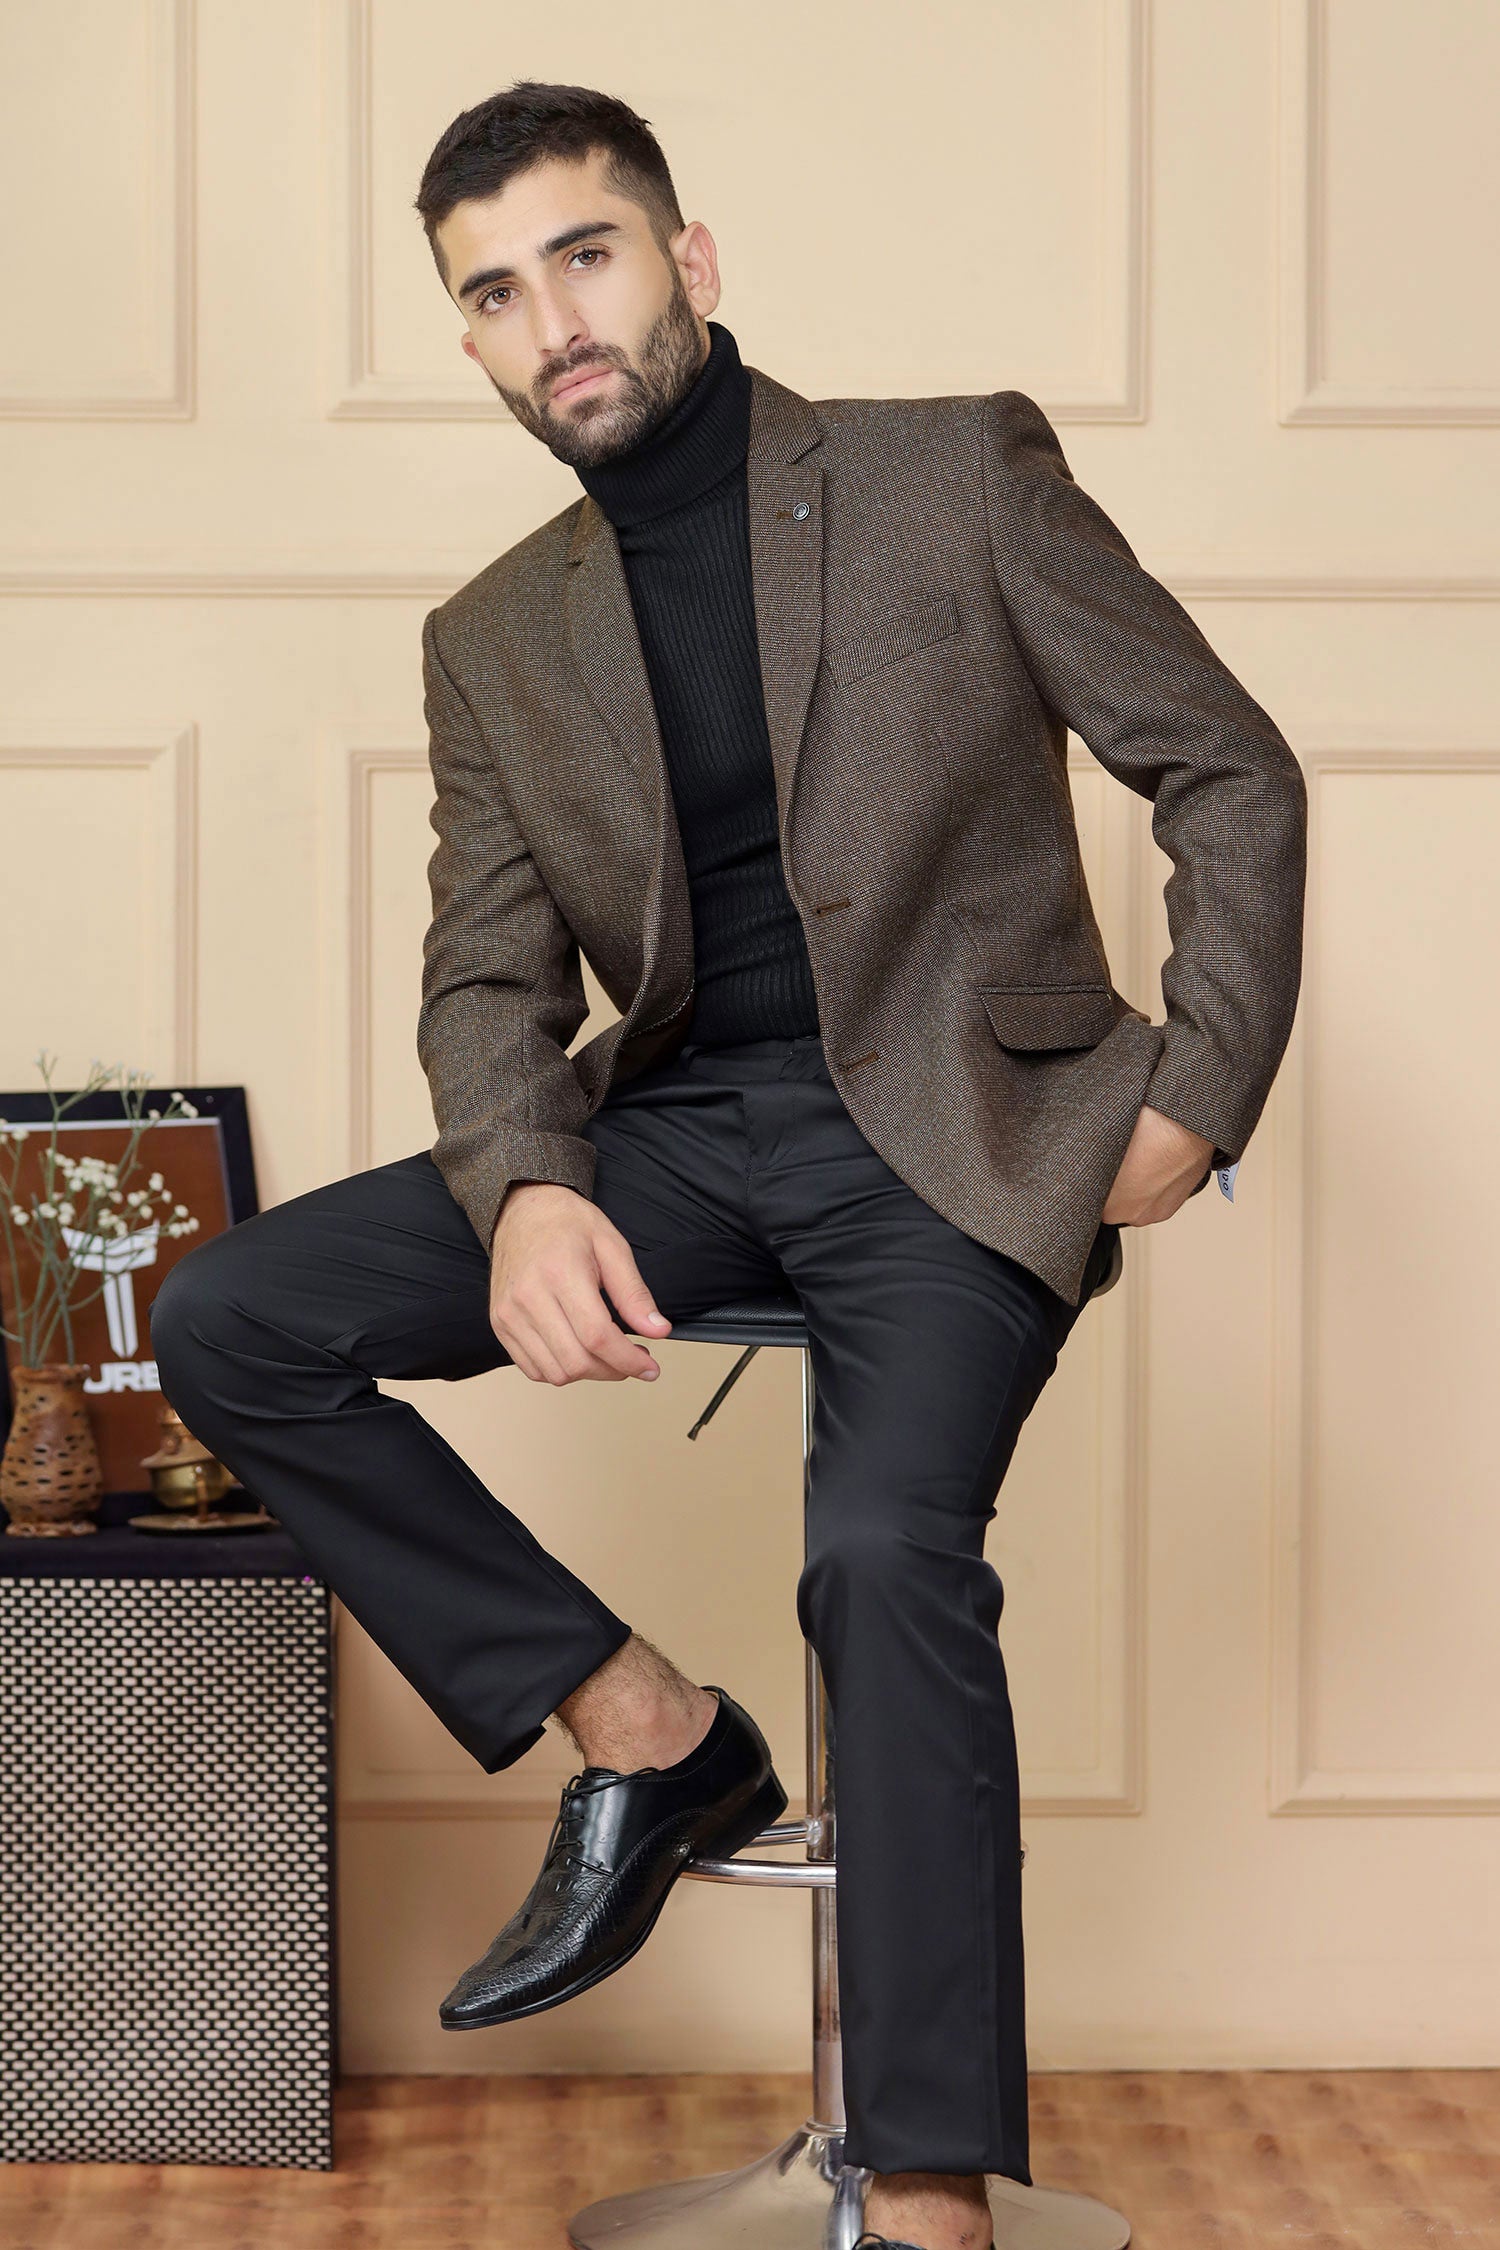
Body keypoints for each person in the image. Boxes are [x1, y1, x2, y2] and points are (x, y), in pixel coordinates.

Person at [150, 79, 1307, 2250]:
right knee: (229, 1315)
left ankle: (928, 2189)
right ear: (474, 342)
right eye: (497, 293)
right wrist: (531, 1185)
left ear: (686, 260)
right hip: (678, 1134)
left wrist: (1198, 1085)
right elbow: (486, 977)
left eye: (584, 256)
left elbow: (1225, 766)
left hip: (960, 1128)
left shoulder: (950, 469)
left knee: (880, 1554)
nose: (554, 320)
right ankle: (646, 1727)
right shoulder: (495, 634)